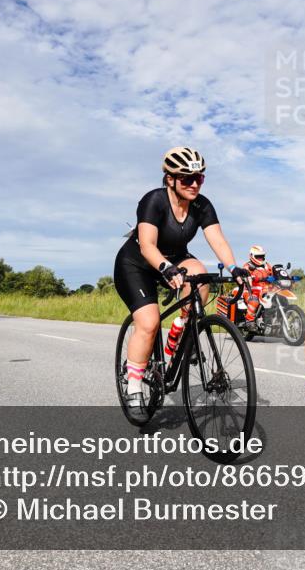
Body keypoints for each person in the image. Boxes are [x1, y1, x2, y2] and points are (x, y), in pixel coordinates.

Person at [113, 146, 248, 425]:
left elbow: (218, 240)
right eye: (187, 178)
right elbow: (148, 245)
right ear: (170, 179)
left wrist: (234, 267)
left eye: (200, 177)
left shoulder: (202, 205)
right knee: (149, 323)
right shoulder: (153, 201)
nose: (195, 184)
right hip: (137, 264)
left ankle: (180, 331)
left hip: (176, 260)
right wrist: (165, 268)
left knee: (200, 278)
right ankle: (135, 385)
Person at [242, 245, 273, 324]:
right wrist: (251, 277)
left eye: (262, 256)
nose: (260, 258)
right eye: (258, 256)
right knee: (254, 300)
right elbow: (244, 277)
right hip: (250, 290)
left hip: (265, 290)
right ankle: (249, 321)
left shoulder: (267, 266)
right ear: (252, 256)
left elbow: (273, 273)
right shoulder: (247, 266)